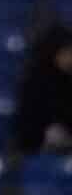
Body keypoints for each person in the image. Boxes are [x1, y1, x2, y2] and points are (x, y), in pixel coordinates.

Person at [12, 23, 72, 156]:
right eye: (67, 51)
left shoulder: (68, 79)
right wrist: (46, 133)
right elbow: (27, 123)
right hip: (38, 147)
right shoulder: (36, 81)